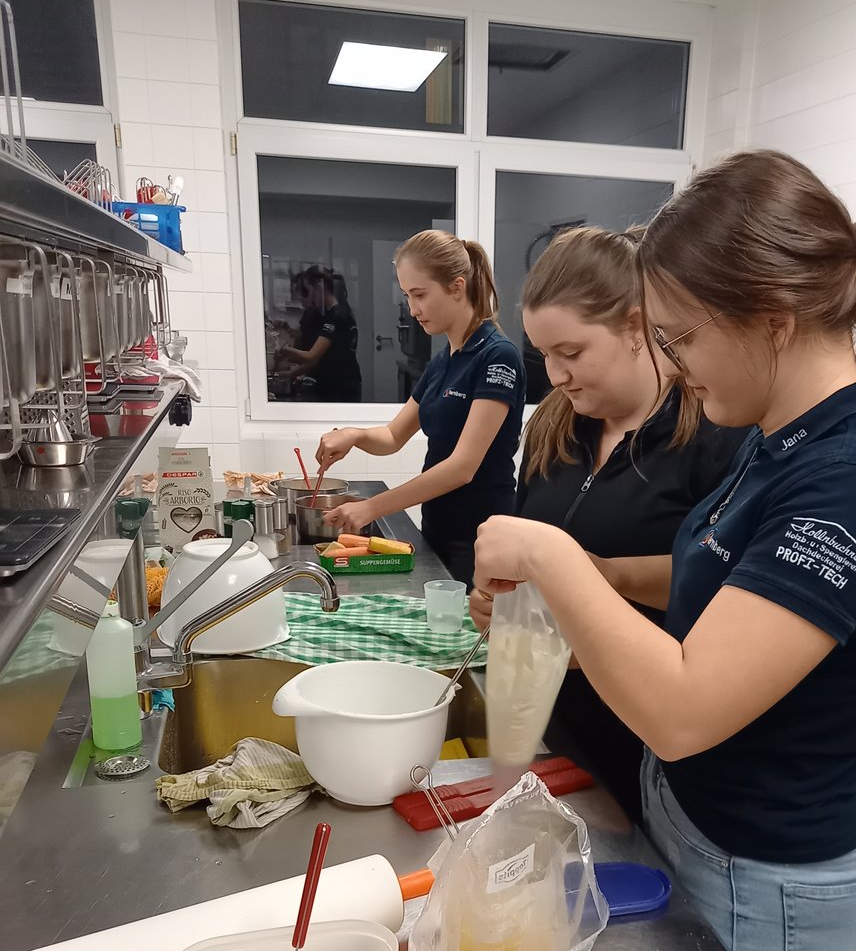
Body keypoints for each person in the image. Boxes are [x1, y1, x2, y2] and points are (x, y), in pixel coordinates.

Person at [472, 150, 856, 951]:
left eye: (681, 338)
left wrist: (552, 555)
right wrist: (605, 577)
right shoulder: (782, 437)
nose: (673, 363)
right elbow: (728, 585)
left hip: (767, 877)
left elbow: (685, 711)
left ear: (771, 320)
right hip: (701, 828)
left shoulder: (854, 482)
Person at [469, 226, 746, 821]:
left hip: (648, 746)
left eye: (571, 354)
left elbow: (722, 585)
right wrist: (499, 604)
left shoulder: (714, 435)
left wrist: (595, 581)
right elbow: (524, 550)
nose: (555, 375)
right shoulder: (553, 424)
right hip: (553, 730)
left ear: (636, 327)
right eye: (544, 355)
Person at [316, 231, 525, 589]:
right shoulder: (443, 360)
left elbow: (462, 468)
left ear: (457, 287)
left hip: (481, 535)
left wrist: (371, 507)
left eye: (420, 294)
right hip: (438, 525)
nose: (412, 310)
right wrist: (353, 435)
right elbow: (393, 436)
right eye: (407, 296)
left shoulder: (497, 356)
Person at [276, 266, 362, 403]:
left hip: (341, 387)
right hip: (337, 384)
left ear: (319, 287)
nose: (309, 296)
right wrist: (290, 373)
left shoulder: (337, 316)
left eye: (309, 290)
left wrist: (283, 350)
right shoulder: (333, 313)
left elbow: (311, 356)